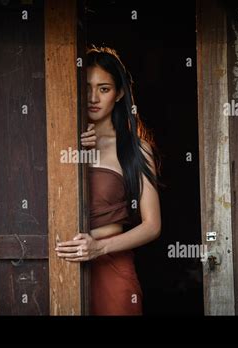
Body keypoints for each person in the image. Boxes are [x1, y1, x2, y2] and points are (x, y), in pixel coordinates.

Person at [55, 46, 162, 315]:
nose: (93, 97)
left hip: (113, 267)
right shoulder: (61, 141)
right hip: (60, 269)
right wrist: (69, 148)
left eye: (104, 89)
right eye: (87, 87)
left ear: (120, 93)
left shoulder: (136, 149)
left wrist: (98, 248)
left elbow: (152, 226)